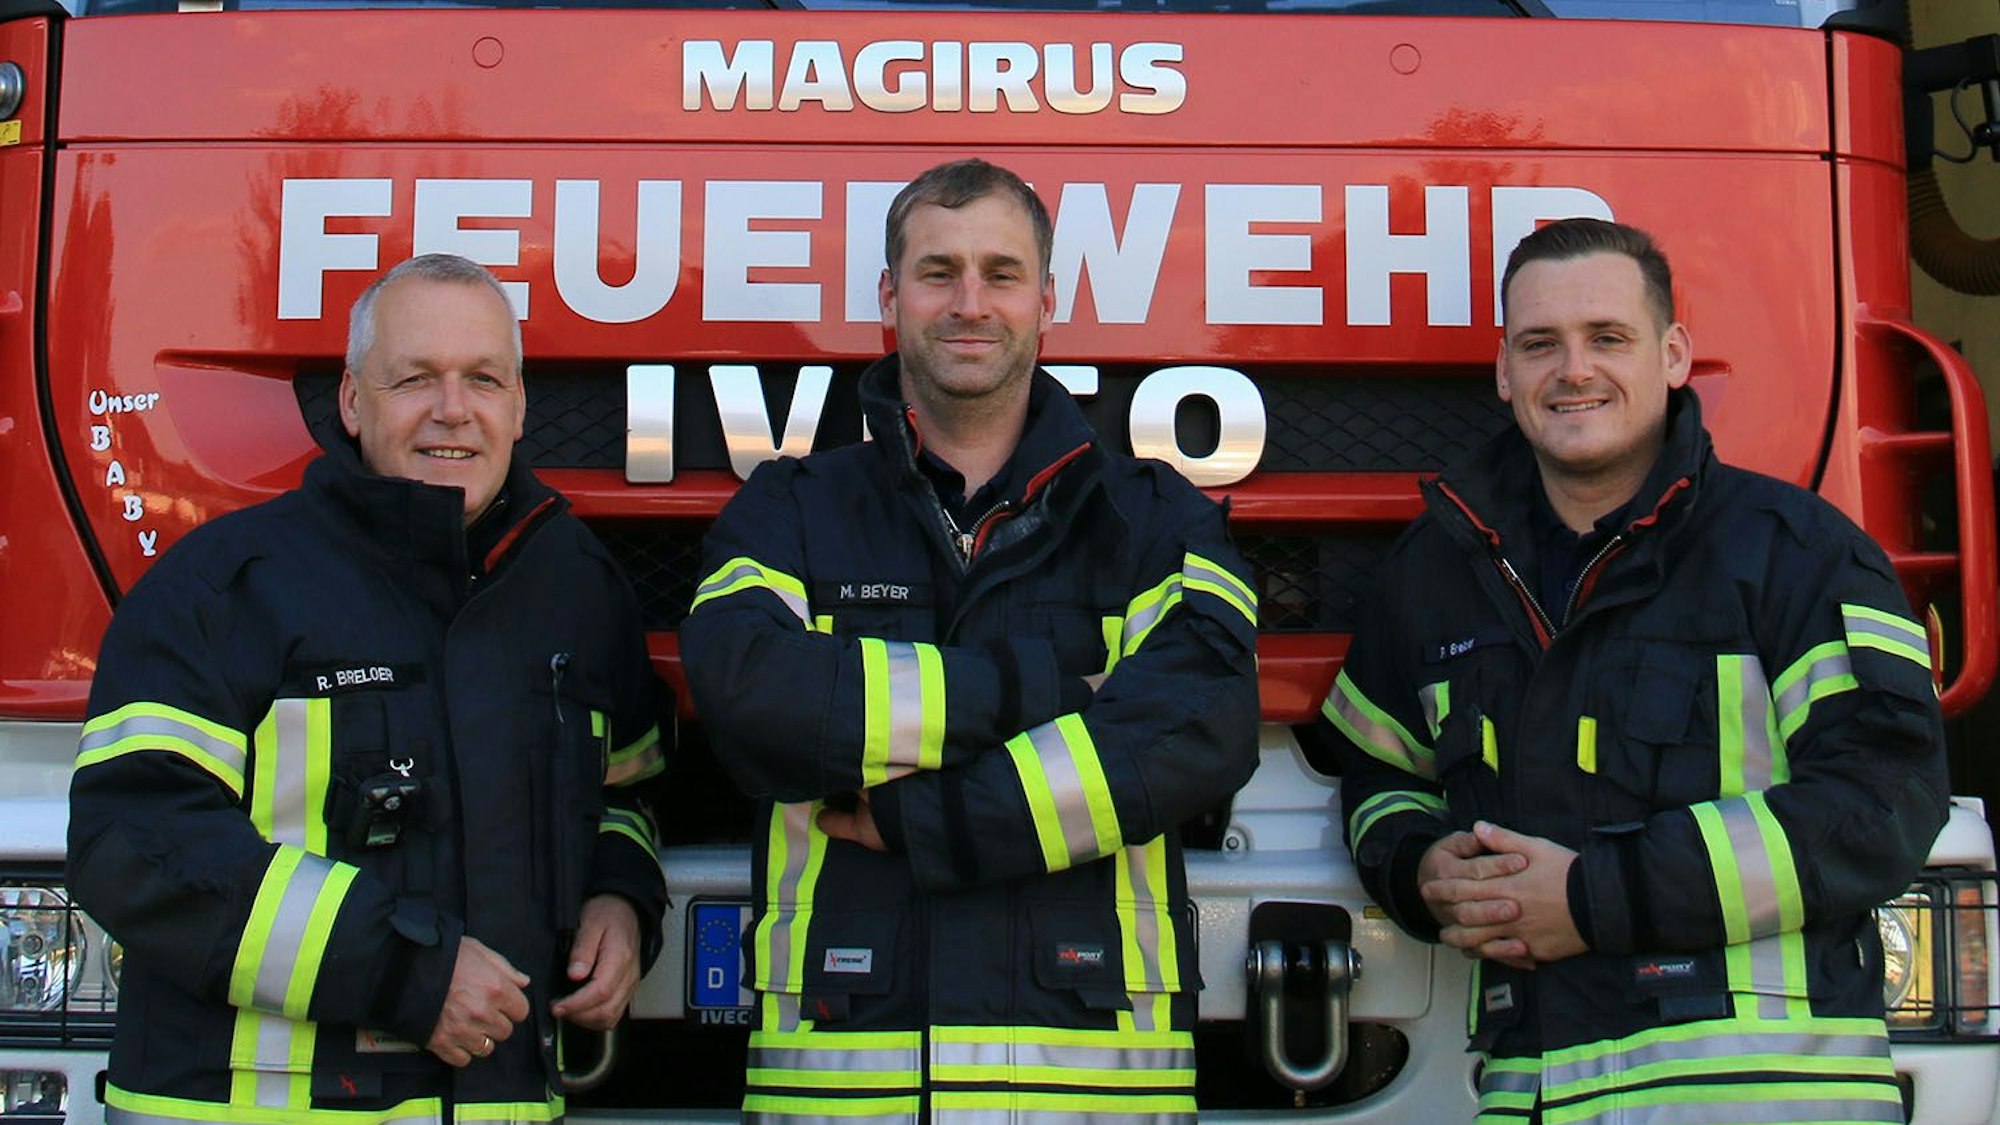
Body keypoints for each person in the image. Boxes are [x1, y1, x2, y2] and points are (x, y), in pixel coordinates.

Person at [1324, 217, 1948, 1124]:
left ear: (1673, 354)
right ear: (1504, 372)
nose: (1574, 370)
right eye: (1541, 344)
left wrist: (1592, 897)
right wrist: (1423, 869)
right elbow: (1375, 774)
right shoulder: (1433, 578)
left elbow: (1878, 802)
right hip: (1532, 1093)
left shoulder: (1797, 555)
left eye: (1607, 338)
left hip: (1762, 1102)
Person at [680, 158, 1260, 1123]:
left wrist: (927, 821)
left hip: (1098, 1092)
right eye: (937, 271)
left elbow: (1201, 731)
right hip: (839, 1087)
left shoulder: (1154, 516)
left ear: (1045, 298)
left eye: (998, 273)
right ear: (889, 296)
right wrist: (1045, 696)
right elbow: (745, 691)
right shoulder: (791, 508)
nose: (968, 302)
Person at [68, 254, 668, 1125]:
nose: (452, 410)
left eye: (483, 380)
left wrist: (621, 896)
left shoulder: (576, 588)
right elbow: (137, 839)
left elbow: (631, 790)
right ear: (353, 400)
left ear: (522, 404)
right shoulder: (227, 584)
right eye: (414, 378)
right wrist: (403, 971)